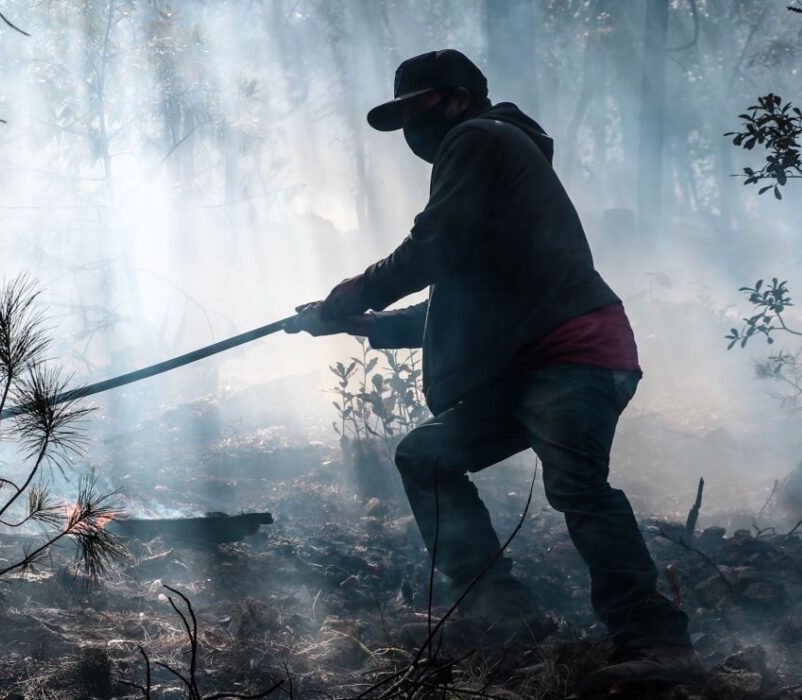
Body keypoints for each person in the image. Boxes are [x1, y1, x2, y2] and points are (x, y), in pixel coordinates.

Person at [288, 49, 704, 693]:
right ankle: (498, 615)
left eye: (416, 110)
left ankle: (656, 640)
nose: (410, 132)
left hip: (574, 351)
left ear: (457, 98)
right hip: (526, 363)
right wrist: (372, 325)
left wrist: (353, 293)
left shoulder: (478, 139)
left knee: (580, 491)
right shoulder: (493, 155)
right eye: (400, 118)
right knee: (425, 458)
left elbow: (435, 243)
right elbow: (469, 296)